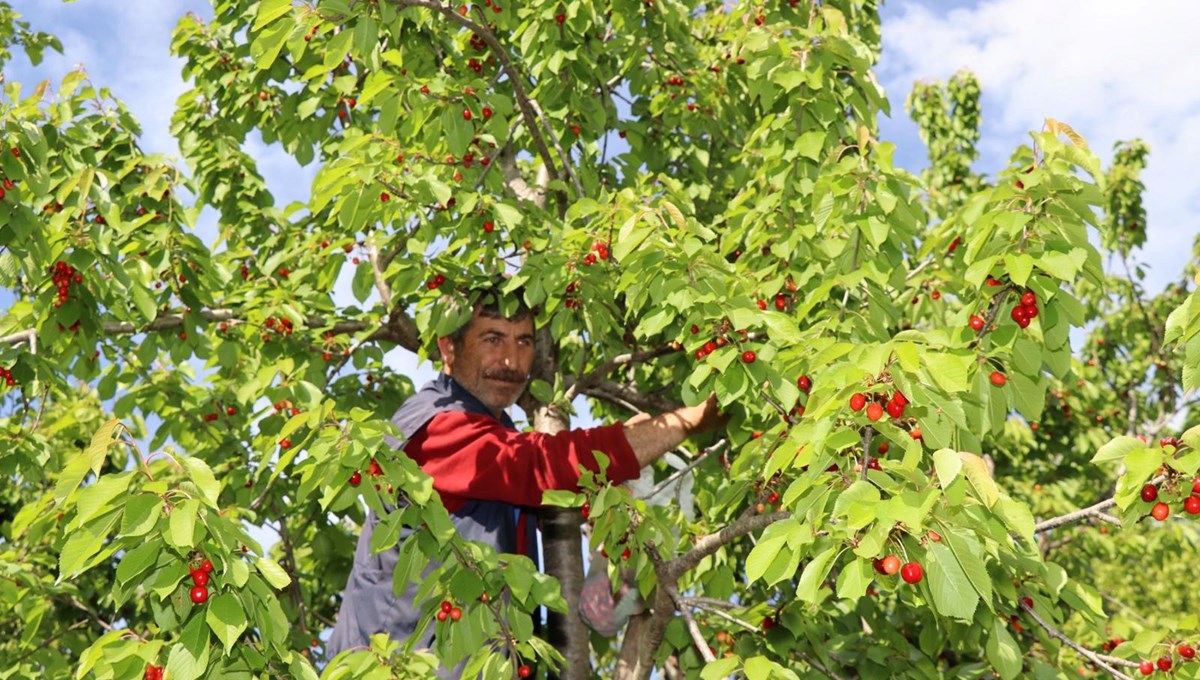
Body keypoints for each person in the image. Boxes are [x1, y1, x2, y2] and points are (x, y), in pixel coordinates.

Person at [327, 292, 725, 668]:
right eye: (492, 339)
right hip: (400, 667)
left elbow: (545, 489)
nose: (511, 361)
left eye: (524, 342)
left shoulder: (495, 430)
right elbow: (539, 466)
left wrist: (616, 491)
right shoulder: (436, 425)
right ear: (448, 348)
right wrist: (682, 423)